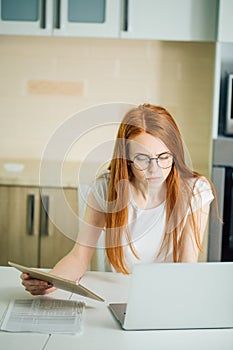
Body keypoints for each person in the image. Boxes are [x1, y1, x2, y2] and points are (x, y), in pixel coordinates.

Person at [21, 103, 217, 295]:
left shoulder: (195, 191)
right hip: (119, 295)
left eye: (164, 156)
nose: (154, 168)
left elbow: (187, 265)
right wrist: (50, 281)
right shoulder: (107, 189)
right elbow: (79, 257)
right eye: (142, 158)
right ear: (126, 159)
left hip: (168, 294)